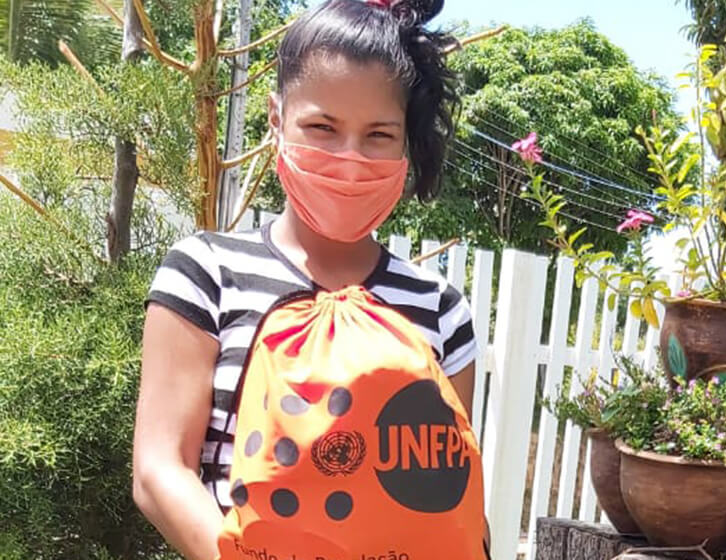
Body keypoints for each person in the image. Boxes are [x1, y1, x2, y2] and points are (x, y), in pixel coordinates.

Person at [131, 1, 480, 558]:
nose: (349, 159)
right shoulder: (206, 274)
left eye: (378, 136)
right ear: (276, 119)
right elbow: (159, 469)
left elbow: (441, 493)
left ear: (405, 143)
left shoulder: (441, 311)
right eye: (322, 127)